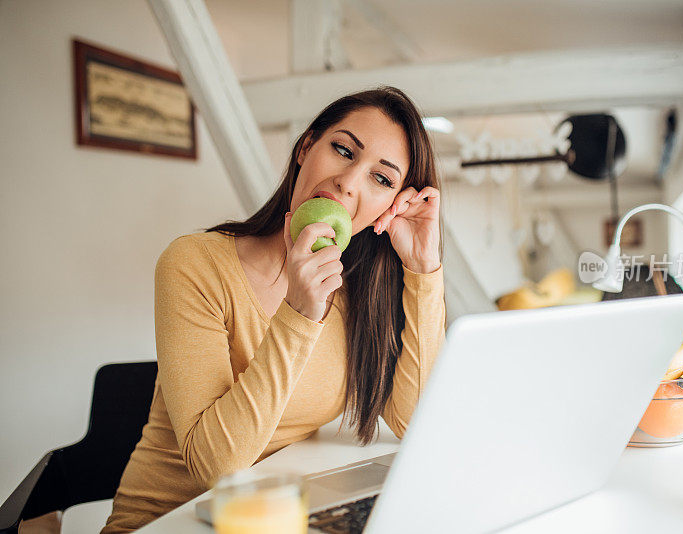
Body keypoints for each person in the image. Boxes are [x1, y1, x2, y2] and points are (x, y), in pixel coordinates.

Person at [101, 86, 446, 533]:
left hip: (278, 518)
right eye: (343, 150)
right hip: (172, 522)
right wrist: (300, 315)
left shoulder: (357, 289)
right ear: (306, 148)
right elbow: (218, 466)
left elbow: (412, 422)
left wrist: (423, 270)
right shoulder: (195, 263)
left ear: (392, 205)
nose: (348, 181)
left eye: (381, 179)